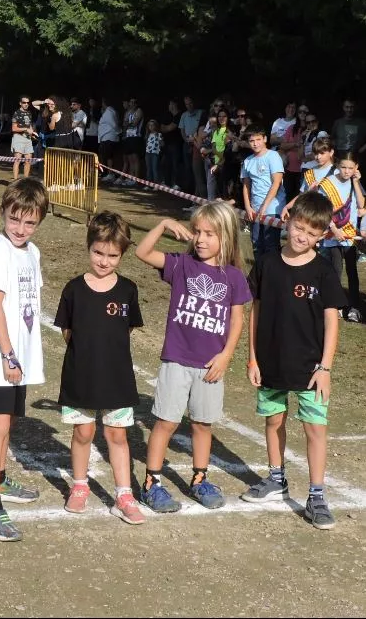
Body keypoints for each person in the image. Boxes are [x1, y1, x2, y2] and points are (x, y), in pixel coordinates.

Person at [134, 201, 249, 513]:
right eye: (197, 232)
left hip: (211, 365)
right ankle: (151, 483)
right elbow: (142, 253)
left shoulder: (235, 277)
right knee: (166, 423)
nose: (200, 239)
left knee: (202, 424)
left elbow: (237, 320)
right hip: (177, 360)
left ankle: (199, 479)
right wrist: (163, 223)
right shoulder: (180, 265)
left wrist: (226, 355)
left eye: (209, 234)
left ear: (225, 238)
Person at [240, 194, 346, 530]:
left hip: (311, 369)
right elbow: (254, 311)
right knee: (274, 421)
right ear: (288, 221)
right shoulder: (267, 263)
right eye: (298, 228)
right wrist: (252, 357)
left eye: (311, 233)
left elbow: (331, 322)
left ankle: (316, 495)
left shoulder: (324, 271)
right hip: (270, 362)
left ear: (322, 236)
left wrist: (325, 368)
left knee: (314, 428)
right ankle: (276, 478)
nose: (302, 236)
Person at [56, 211, 146, 525]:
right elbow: (67, 332)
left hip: (117, 380)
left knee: (118, 436)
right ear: (88, 247)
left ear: (122, 254)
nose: (104, 261)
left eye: (112, 255)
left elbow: (127, 329)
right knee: (83, 432)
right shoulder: (73, 289)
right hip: (81, 377)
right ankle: (79, 485)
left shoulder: (128, 290)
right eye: (98, 252)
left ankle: (123, 495)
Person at [0, 178, 50, 542]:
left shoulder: (30, 253)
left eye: (29, 222)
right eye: (14, 219)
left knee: (9, 423)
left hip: (20, 358)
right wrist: (7, 354)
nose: (20, 229)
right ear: (3, 212)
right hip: (2, 355)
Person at [315, 151, 366, 322]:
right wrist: (334, 229)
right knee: (336, 269)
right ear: (337, 165)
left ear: (356, 168)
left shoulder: (354, 181)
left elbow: (361, 204)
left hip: (350, 233)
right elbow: (323, 209)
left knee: (352, 270)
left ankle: (353, 307)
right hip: (332, 233)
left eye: (350, 168)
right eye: (343, 167)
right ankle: (335, 305)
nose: (346, 171)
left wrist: (356, 182)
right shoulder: (327, 183)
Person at [240, 125, 286, 257]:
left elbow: (276, 183)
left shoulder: (273, 156)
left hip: (272, 209)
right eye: (251, 141)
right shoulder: (247, 161)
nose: (255, 143)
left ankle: (272, 276)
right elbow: (246, 186)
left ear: (265, 139)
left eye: (258, 139)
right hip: (254, 210)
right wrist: (248, 207)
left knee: (270, 246)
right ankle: (259, 275)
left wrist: (264, 207)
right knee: (256, 244)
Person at [118, 97, 144, 187]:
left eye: (134, 102)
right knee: (130, 159)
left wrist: (128, 123)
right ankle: (130, 178)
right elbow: (124, 124)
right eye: (131, 102)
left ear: (136, 104)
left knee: (135, 158)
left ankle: (136, 179)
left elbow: (135, 123)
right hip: (128, 137)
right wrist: (128, 124)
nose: (132, 104)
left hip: (136, 137)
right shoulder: (127, 112)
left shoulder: (139, 111)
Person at [10, 96, 36, 179]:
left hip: (28, 139)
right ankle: (15, 181)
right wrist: (26, 129)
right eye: (24, 102)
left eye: (27, 103)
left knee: (28, 160)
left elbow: (30, 126)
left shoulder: (29, 113)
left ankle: (25, 181)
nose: (26, 104)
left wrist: (33, 134)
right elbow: (14, 128)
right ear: (20, 103)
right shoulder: (16, 113)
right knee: (17, 160)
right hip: (18, 138)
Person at [97, 97, 121, 184]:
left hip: (109, 137)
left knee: (109, 156)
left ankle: (110, 174)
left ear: (104, 103)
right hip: (106, 137)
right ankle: (108, 174)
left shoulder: (109, 112)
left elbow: (114, 124)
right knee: (107, 156)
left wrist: (119, 131)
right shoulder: (108, 112)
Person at [144, 118, 164, 185]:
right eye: (150, 125)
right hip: (148, 153)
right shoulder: (147, 135)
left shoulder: (158, 134)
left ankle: (156, 184)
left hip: (155, 153)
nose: (151, 127)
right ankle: (149, 184)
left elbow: (162, 144)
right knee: (148, 169)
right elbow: (147, 144)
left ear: (156, 126)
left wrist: (160, 143)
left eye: (153, 125)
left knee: (154, 168)